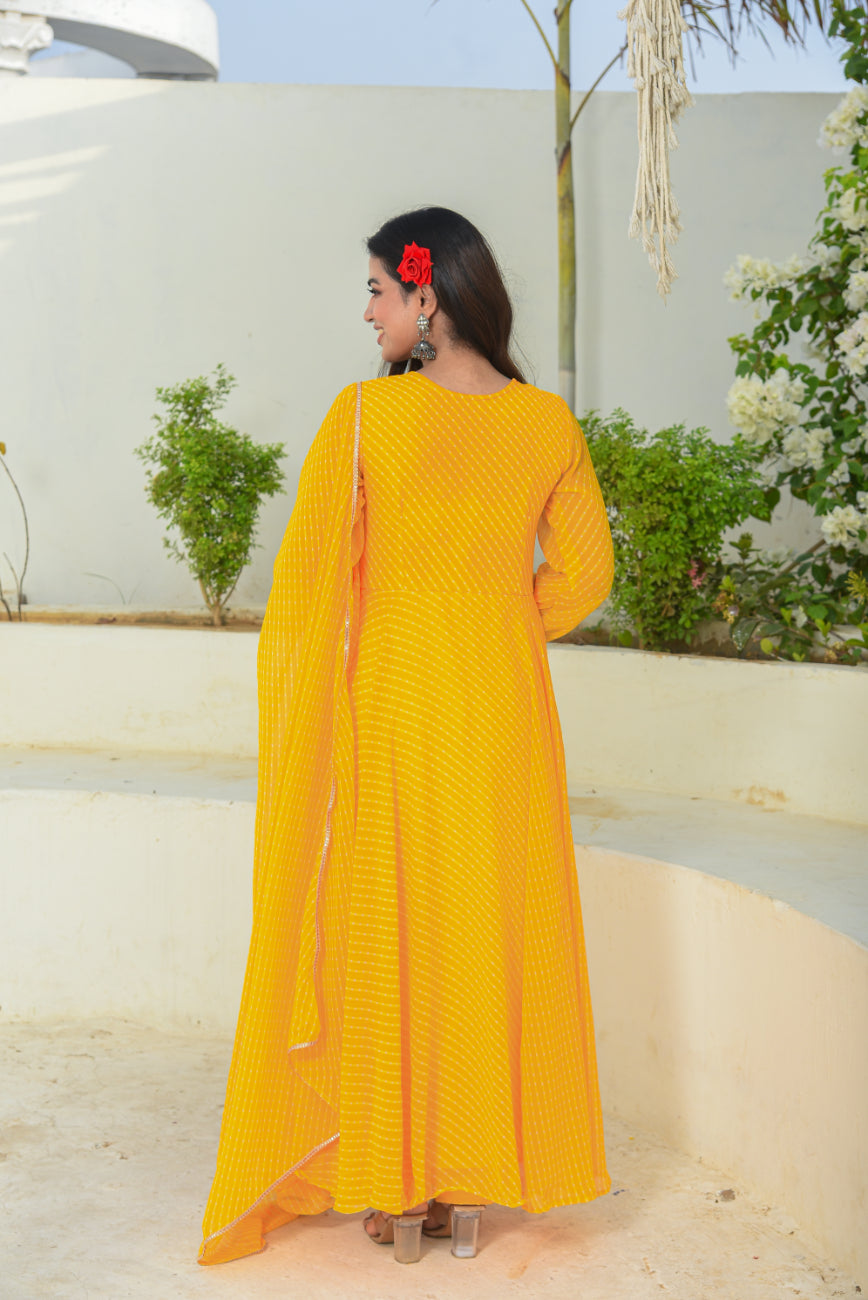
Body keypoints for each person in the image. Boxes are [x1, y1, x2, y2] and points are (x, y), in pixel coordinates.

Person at [198, 206, 615, 1268]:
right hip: (506, 712)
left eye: (381, 289)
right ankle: (469, 1186)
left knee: (390, 930)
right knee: (484, 923)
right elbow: (586, 577)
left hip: (392, 707)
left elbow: (308, 580)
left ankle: (392, 1181)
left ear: (427, 296)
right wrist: (505, 613)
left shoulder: (363, 420)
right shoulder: (548, 424)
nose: (370, 309)